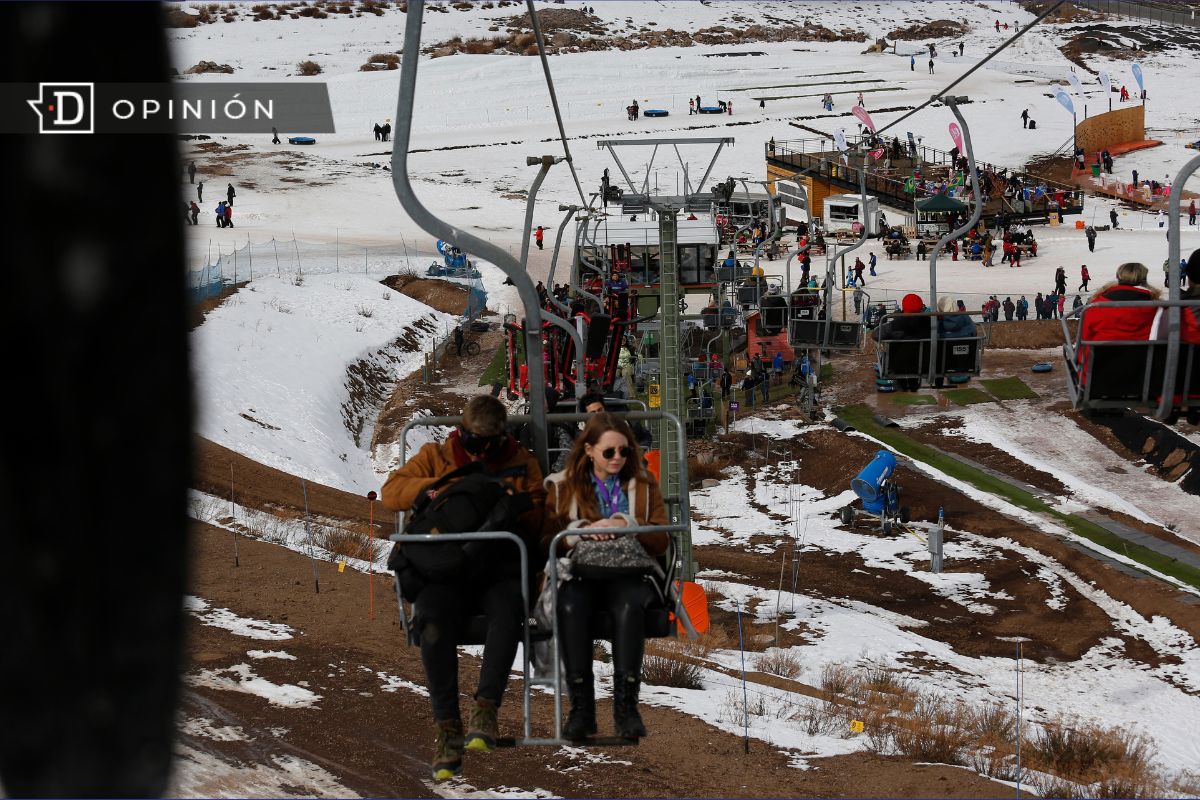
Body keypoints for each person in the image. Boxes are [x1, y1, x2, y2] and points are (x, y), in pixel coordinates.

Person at [381, 395, 545, 779]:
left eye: (490, 444)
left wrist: (512, 504)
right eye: (473, 443)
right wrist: (437, 490)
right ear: (462, 434)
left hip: (499, 567)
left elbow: (540, 511)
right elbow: (393, 491)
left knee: (507, 613)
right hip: (448, 568)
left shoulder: (520, 462)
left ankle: (486, 710)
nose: (481, 452)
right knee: (433, 620)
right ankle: (447, 728)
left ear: (503, 437)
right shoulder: (437, 457)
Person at [542, 413, 668, 741]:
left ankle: (627, 709)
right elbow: (546, 537)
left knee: (628, 606)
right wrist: (580, 531)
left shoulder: (642, 485)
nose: (617, 459)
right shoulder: (564, 486)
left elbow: (662, 539)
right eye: (609, 452)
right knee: (571, 605)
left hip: (629, 570)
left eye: (624, 452)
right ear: (588, 450)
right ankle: (581, 710)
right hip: (582, 571)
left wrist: (629, 526)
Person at [1078, 263, 1160, 379]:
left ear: (1118, 277)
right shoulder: (1158, 308)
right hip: (1146, 377)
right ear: (1144, 279)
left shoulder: (1095, 307)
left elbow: (1084, 340)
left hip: (1099, 377)